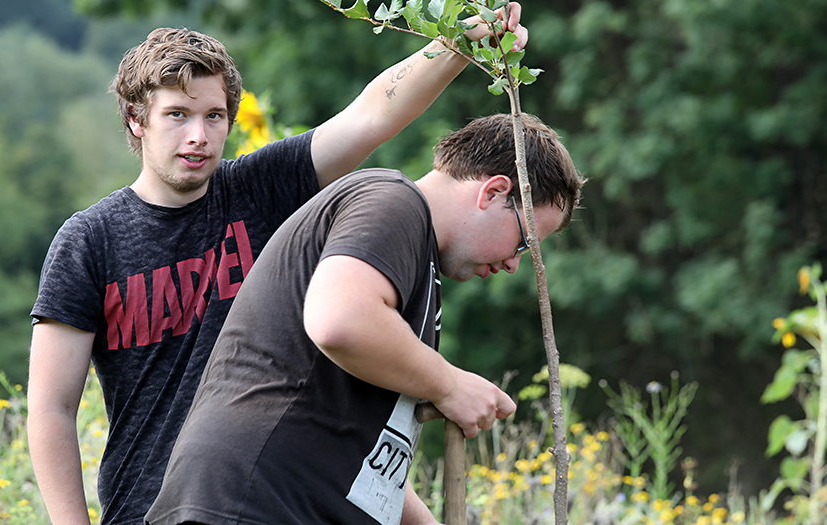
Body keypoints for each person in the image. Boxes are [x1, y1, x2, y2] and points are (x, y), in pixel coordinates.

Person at [27, 9, 530, 525]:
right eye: (177, 115)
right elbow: (51, 410)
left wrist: (458, 41)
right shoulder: (89, 240)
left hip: (269, 496)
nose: (198, 135)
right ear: (137, 119)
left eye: (215, 116)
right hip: (145, 507)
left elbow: (371, 116)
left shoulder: (261, 189)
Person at [144, 113, 585, 525]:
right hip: (248, 504)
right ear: (492, 192)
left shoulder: (414, 271)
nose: (513, 264)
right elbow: (339, 320)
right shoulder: (393, 202)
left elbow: (366, 453)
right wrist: (450, 384)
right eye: (525, 242)